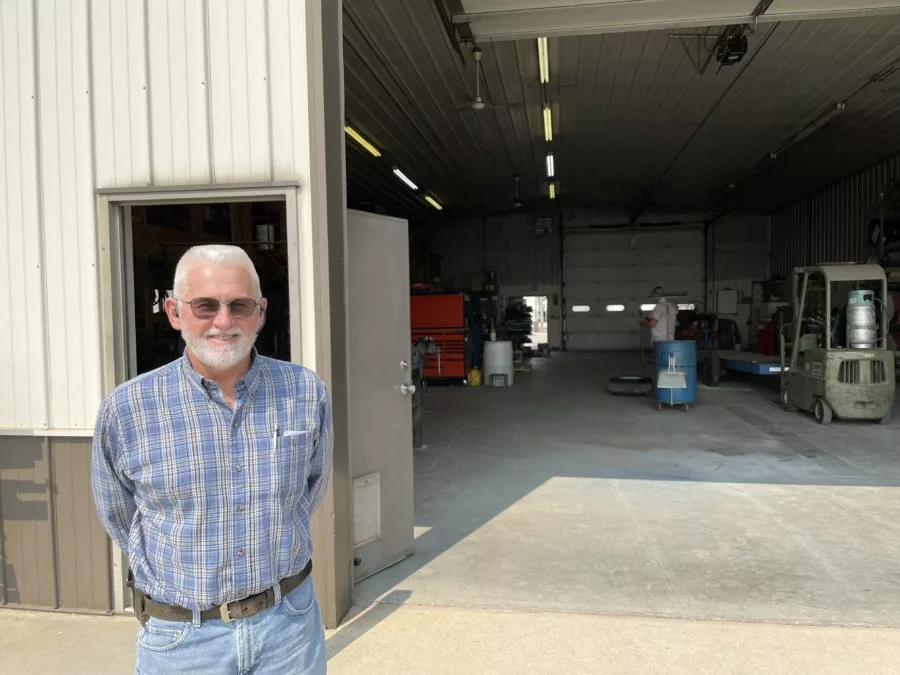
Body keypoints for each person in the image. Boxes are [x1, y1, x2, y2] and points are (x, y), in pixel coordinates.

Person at [91, 244, 333, 674]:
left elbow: (309, 489)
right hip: (185, 640)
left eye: (239, 306)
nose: (224, 322)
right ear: (174, 311)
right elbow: (119, 515)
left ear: (260, 313)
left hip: (289, 629)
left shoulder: (304, 392)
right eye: (205, 305)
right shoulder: (127, 410)